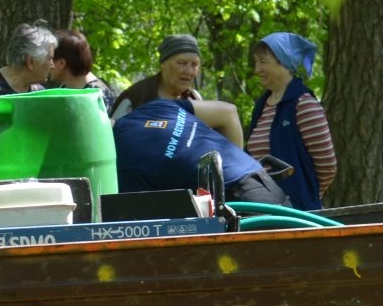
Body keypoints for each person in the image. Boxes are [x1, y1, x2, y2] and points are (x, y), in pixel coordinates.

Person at [112, 97, 291, 206]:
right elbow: (228, 112)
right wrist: (232, 168)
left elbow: (145, 224)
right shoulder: (153, 108)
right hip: (263, 181)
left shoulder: (123, 160)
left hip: (240, 203)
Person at [246, 31, 337, 211]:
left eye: (263, 62)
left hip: (294, 212)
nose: (257, 69)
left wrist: (304, 195)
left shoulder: (304, 105)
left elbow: (327, 166)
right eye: (256, 62)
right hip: (261, 208)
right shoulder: (262, 105)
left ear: (286, 64)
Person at [110, 33, 204, 121]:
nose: (189, 71)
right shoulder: (136, 98)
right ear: (163, 63)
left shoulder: (194, 99)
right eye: (182, 63)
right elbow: (111, 134)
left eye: (194, 64)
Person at [48, 28, 119, 111]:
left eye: (50, 58)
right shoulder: (65, 89)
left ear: (61, 63)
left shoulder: (98, 97)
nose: (47, 64)